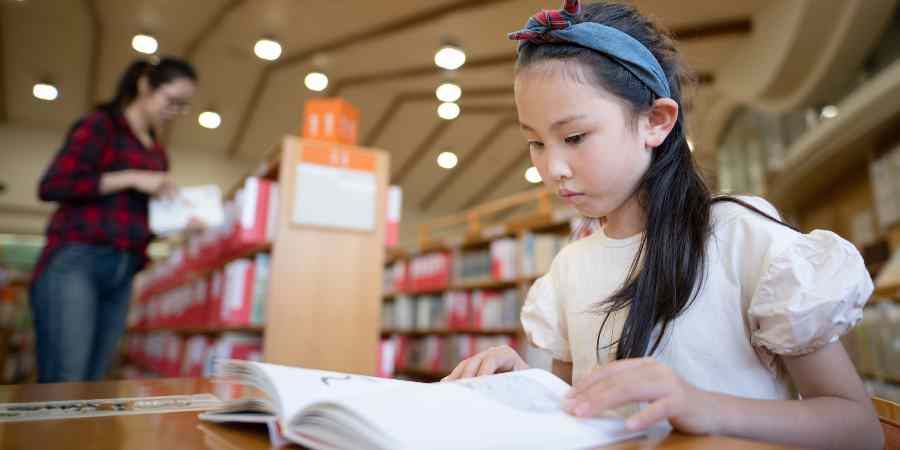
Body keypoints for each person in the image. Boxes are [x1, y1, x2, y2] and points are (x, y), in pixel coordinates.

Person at [443, 1, 883, 448]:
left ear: (656, 121)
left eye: (574, 137)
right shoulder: (568, 270)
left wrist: (701, 405)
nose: (550, 167)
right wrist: (524, 388)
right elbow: (578, 416)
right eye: (535, 142)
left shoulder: (740, 237)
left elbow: (858, 429)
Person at [30, 57, 197, 383]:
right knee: (66, 379)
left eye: (183, 106)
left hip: (124, 272)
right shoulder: (101, 126)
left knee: (93, 383)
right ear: (146, 86)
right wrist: (131, 178)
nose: (174, 111)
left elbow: (138, 222)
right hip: (78, 261)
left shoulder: (158, 152)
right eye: (171, 101)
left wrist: (180, 222)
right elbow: (53, 185)